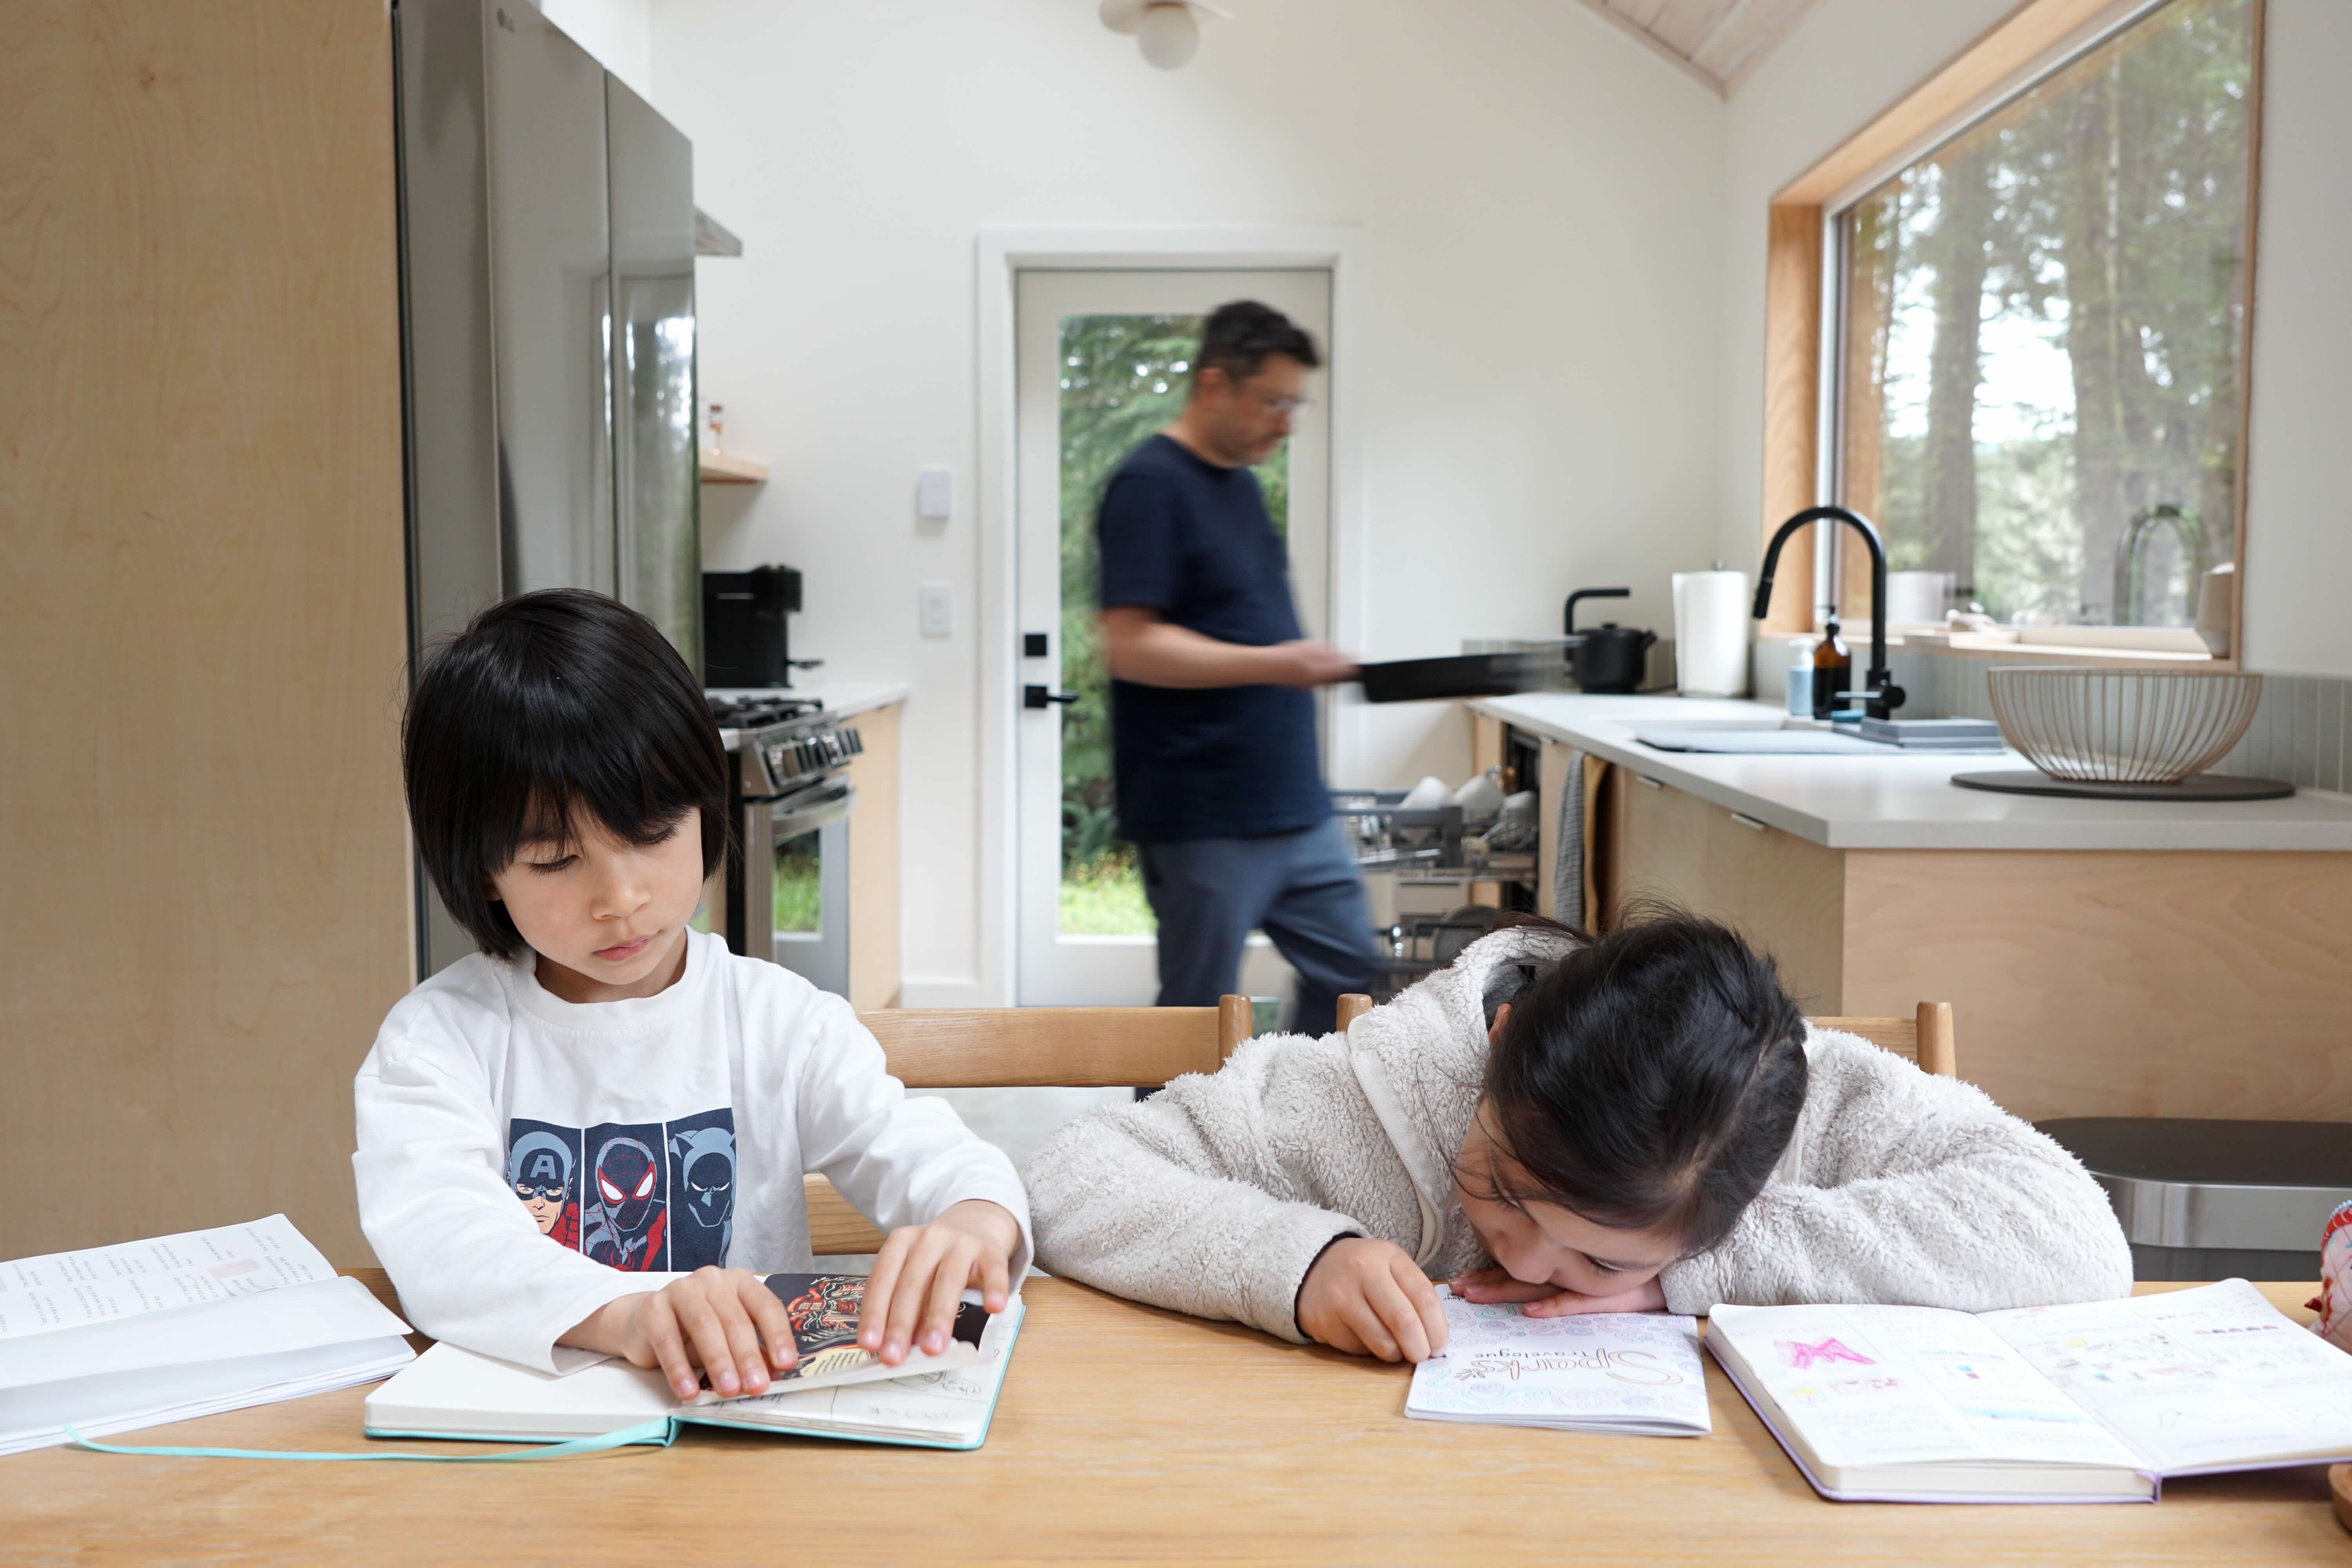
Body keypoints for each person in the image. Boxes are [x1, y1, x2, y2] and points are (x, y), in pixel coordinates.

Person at [354, 589, 1029, 1401]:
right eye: (555, 859)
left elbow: (923, 1147)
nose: (620, 897)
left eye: (648, 835)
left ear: (706, 813)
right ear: (481, 872)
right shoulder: (438, 1040)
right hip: (538, 1447)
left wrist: (975, 1215)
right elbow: (440, 1237)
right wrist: (633, 1314)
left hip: (753, 1438)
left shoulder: (781, 1021)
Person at [1022, 911, 2132, 1363]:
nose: (1529, 1261)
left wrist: (1717, 1269)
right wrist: (1298, 1264)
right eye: (1505, 1189)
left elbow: (2078, 1236)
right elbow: (1070, 1173)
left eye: (1602, 1257)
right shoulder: (1380, 1092)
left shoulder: (1796, 1107)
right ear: (1502, 1046)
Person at [1096, 299, 1377, 1038]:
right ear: (1215, 383)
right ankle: (1155, 1154)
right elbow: (1130, 645)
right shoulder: (1150, 485)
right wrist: (1278, 664)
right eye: (1274, 401)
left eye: (1296, 405)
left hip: (1292, 799)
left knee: (1353, 968)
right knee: (1196, 1020)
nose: (1286, 422)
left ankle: (1294, 1121)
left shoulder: (1243, 485)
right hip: (1203, 812)